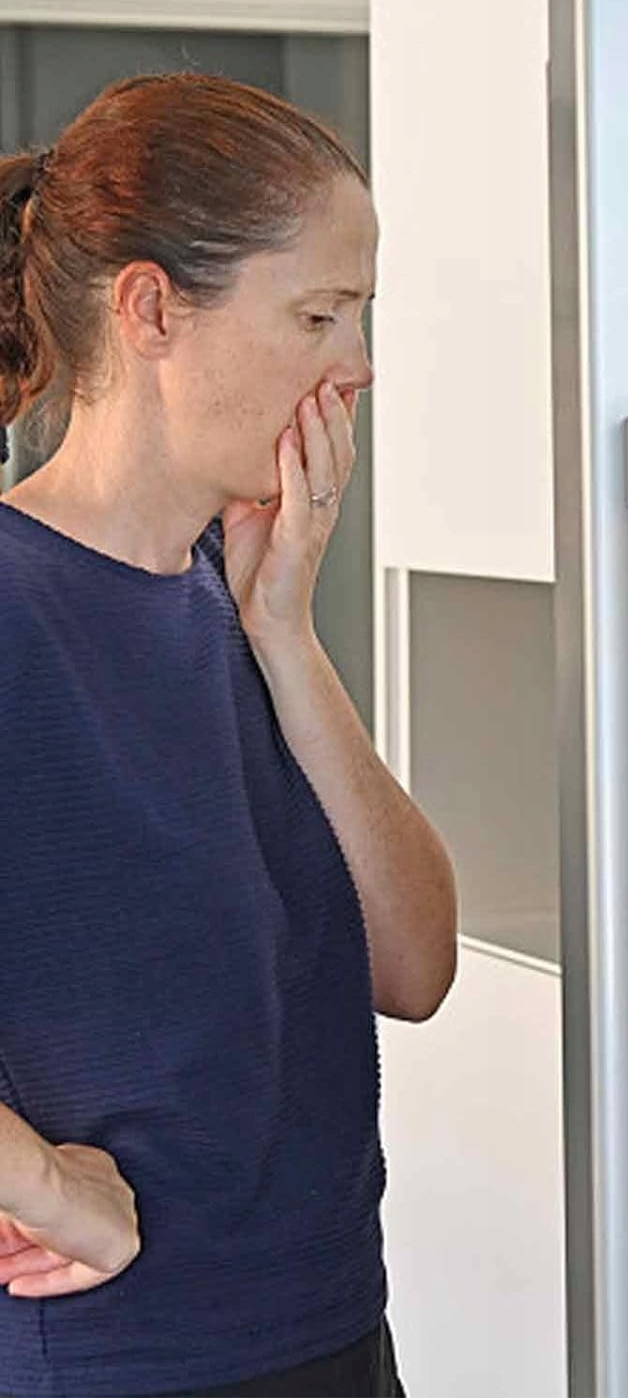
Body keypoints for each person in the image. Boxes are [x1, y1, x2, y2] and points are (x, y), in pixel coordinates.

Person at [0, 72, 457, 1396]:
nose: (357, 364)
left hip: (333, 1333)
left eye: (362, 315)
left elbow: (414, 967)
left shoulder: (237, 597)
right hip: (116, 1361)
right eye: (319, 314)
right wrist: (43, 1187)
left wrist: (288, 634)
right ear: (151, 310)